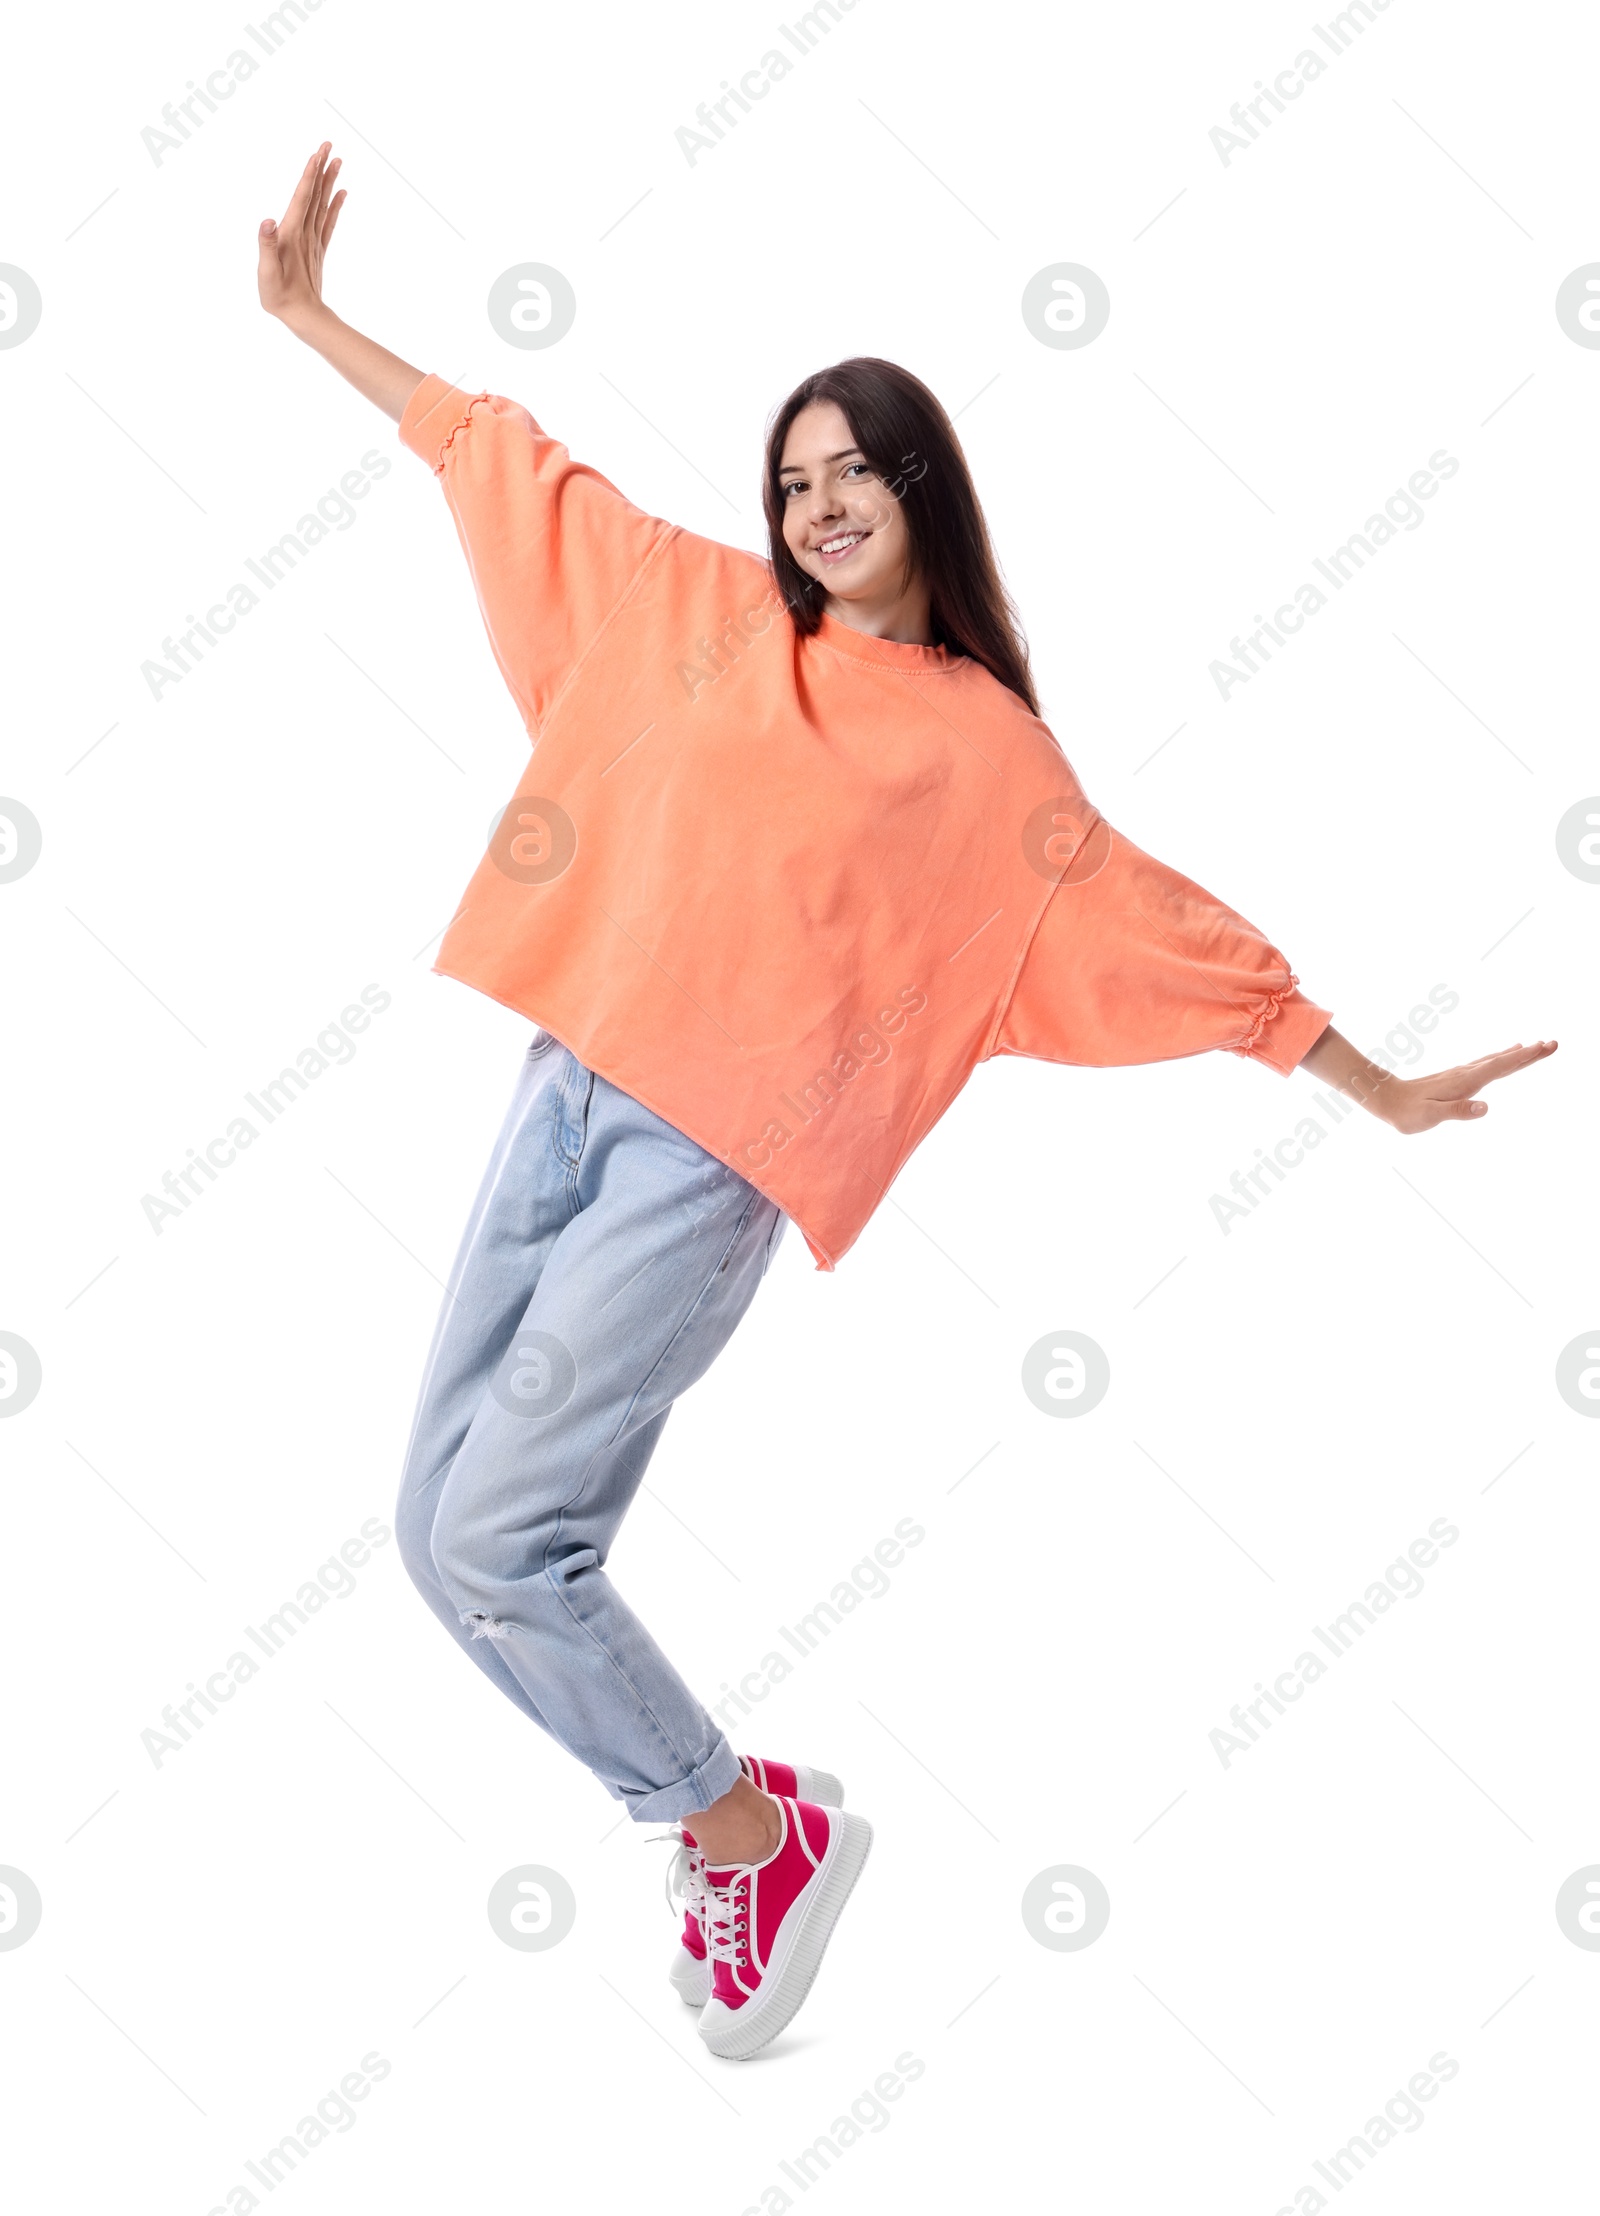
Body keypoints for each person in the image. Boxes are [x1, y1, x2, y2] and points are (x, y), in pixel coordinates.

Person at [256, 144, 1556, 2060]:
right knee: (432, 1526)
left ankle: (733, 1829)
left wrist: (1380, 1088)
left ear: (921, 482)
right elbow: (496, 455)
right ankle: (742, 1827)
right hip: (559, 1098)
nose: (815, 502)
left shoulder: (979, 750)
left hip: (697, 1172)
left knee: (493, 1542)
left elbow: (1167, 932)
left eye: (851, 467)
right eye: (791, 479)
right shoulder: (702, 620)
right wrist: (306, 322)